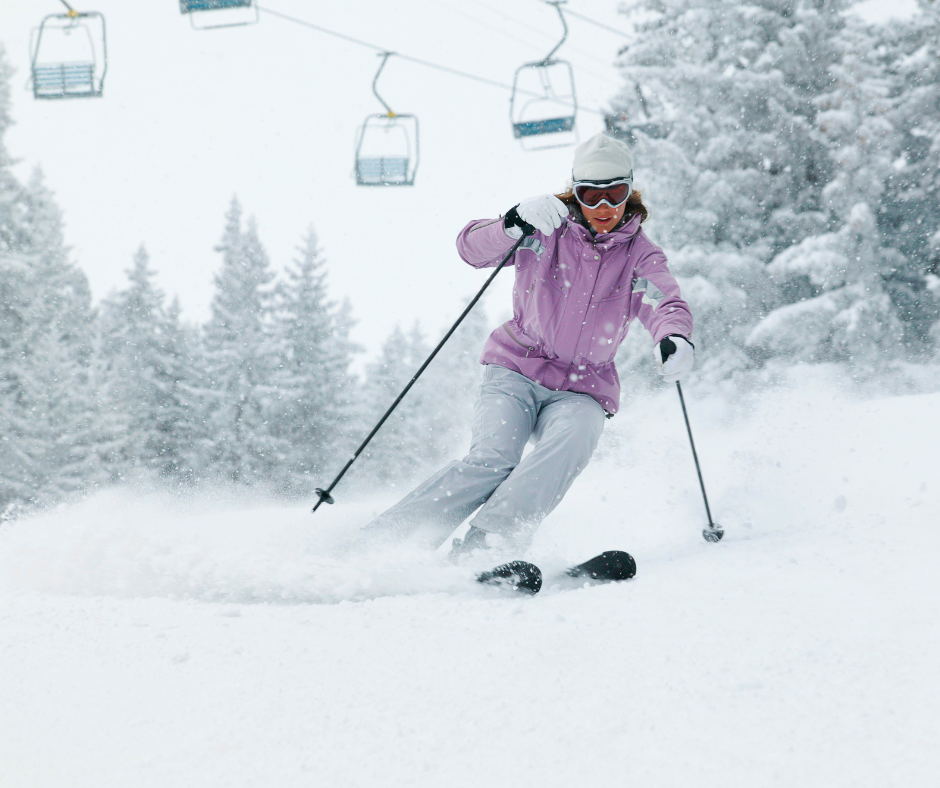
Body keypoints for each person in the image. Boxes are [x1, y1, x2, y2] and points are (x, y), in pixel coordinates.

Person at [364, 133, 694, 557]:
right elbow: (472, 250)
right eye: (592, 196)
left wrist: (673, 335)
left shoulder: (640, 256)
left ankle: (488, 543)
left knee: (574, 441)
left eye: (615, 193)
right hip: (517, 368)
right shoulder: (545, 230)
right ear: (575, 194)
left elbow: (662, 299)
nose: (605, 208)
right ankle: (387, 542)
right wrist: (511, 223)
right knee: (492, 460)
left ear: (631, 193)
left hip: (583, 387)